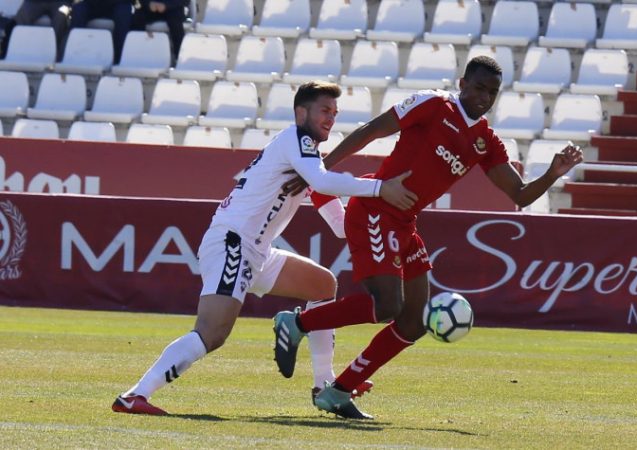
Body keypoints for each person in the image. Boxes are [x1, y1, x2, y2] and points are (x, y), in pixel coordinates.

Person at [273, 56, 584, 420]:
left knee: (414, 322)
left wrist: (552, 174)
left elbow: (521, 195)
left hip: (405, 223)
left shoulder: (485, 141)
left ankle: (338, 392)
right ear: (462, 84)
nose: (484, 97)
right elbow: (371, 130)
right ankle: (297, 323)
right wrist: (319, 171)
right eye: (479, 88)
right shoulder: (434, 104)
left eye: (492, 92)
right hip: (375, 210)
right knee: (387, 305)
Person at [111, 81, 418, 415]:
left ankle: (324, 384)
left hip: (255, 250)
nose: (330, 118)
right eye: (323, 110)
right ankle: (134, 396)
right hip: (233, 243)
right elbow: (323, 181)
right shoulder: (297, 141)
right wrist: (380, 188)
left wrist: (379, 224)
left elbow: (340, 224)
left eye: (334, 112)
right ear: (301, 113)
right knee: (212, 333)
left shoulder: (308, 159)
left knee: (322, 284)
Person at [70, 0, 133, 64]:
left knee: (123, 12)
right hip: (93, 4)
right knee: (78, 9)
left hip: (119, 4)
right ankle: (74, 55)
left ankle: (119, 59)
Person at [8, 0, 72, 61]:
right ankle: (20, 51)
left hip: (61, 2)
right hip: (35, 2)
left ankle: (55, 53)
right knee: (22, 14)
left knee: (61, 16)